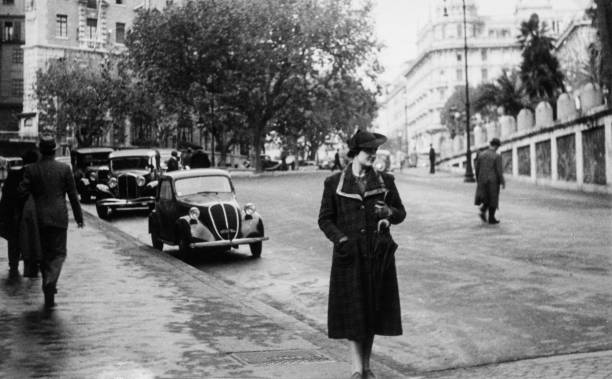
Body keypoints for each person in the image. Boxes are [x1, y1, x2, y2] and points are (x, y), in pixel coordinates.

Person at [318, 130, 406, 379]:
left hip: (378, 256)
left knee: (372, 313)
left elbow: (401, 213)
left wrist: (388, 213)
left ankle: (366, 367)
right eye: (369, 151)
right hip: (350, 257)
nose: (373, 156)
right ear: (355, 153)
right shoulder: (334, 183)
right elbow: (325, 219)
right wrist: (341, 239)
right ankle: (357, 370)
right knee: (354, 314)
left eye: (375, 152)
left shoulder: (386, 181)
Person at [18, 137, 84, 308]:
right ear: (54, 151)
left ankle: (48, 286)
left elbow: (21, 192)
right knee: (58, 254)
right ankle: (50, 281)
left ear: (40, 151)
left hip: (38, 219)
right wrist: (79, 217)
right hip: (59, 218)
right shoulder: (64, 169)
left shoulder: (31, 169)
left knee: (44, 255)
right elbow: (73, 196)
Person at [0, 150, 39, 281]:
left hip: (14, 217)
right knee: (33, 242)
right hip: (32, 218)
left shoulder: (13, 175)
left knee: (14, 244)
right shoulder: (38, 175)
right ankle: (31, 268)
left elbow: (5, 197)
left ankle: (14, 266)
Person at [474, 138, 505, 224]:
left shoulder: (481, 155)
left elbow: (477, 169)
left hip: (482, 180)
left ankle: (483, 211)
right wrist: (502, 182)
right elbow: (499, 171)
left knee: (486, 198)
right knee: (493, 199)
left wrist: (478, 179)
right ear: (496, 146)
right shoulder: (497, 156)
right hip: (493, 181)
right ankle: (491, 218)